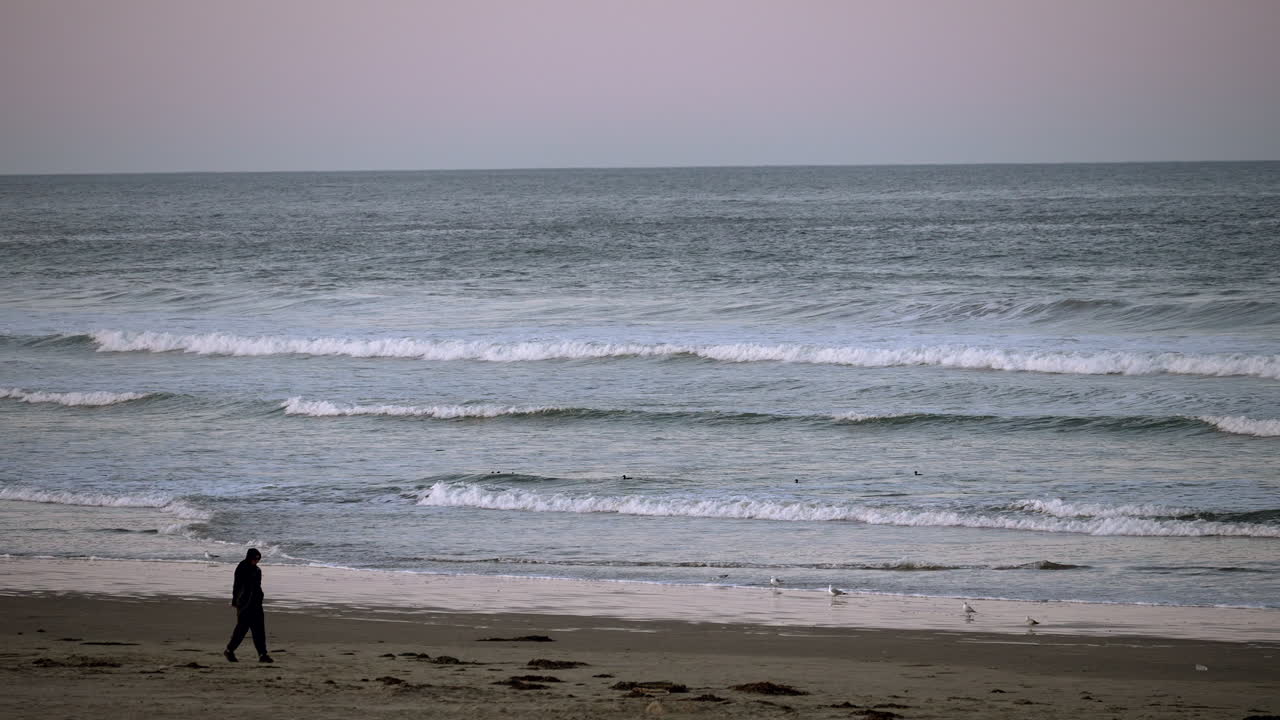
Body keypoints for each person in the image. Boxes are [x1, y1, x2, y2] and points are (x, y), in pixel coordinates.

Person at [224, 548, 273, 663]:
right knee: (241, 630)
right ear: (249, 557)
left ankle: (262, 654)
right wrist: (235, 602)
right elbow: (237, 587)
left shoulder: (257, 570)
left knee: (259, 630)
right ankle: (229, 650)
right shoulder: (242, 568)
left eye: (258, 559)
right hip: (245, 604)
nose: (256, 561)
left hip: (256, 603)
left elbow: (257, 587)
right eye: (255, 559)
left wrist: (260, 597)